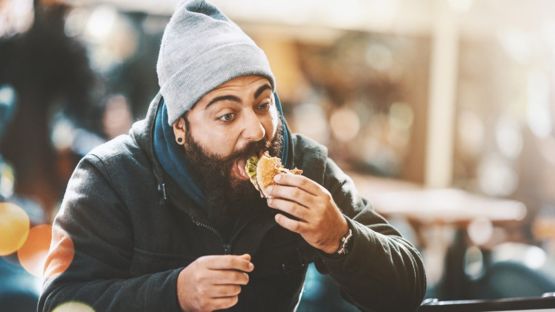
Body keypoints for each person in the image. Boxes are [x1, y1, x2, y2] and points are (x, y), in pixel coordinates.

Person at [38, 1, 426, 311]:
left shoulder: (304, 166)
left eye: (262, 104)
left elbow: (408, 290)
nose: (256, 131)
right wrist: (173, 294)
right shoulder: (111, 177)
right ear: (180, 126)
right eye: (227, 115)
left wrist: (340, 236)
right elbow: (59, 302)